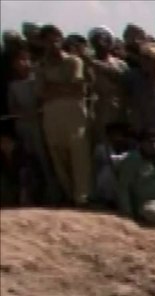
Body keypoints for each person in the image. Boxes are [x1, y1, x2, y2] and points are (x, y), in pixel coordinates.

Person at [36, 25, 93, 206]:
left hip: (74, 114)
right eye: (48, 41)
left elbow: (78, 88)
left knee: (79, 155)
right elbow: (41, 92)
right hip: (51, 115)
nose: (53, 44)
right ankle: (69, 195)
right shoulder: (41, 66)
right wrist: (62, 88)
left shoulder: (74, 61)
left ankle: (82, 197)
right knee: (58, 155)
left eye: (56, 40)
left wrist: (53, 87)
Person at [7, 46, 59, 205]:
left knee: (46, 159)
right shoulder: (13, 85)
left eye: (27, 59)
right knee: (28, 160)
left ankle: (55, 193)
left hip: (40, 124)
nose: (24, 63)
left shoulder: (37, 80)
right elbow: (12, 107)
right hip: (23, 126)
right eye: (20, 60)